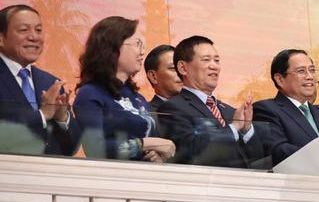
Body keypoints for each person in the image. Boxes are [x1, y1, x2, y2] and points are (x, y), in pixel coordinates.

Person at [73, 16, 175, 162]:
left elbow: (157, 144)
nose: (142, 52)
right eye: (137, 44)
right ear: (113, 46)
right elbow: (95, 148)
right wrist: (145, 144)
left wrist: (156, 154)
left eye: (143, 45)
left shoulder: (138, 98)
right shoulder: (90, 94)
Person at [157, 35, 263, 168]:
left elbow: (259, 159)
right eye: (206, 60)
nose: (215, 66)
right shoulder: (172, 108)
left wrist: (246, 129)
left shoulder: (231, 111)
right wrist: (235, 127)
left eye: (217, 60)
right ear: (183, 68)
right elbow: (191, 151)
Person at [0, 4, 78, 155]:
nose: (34, 37)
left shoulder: (51, 82)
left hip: (50, 175)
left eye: (38, 30)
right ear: (2, 38)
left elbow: (70, 150)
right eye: (24, 30)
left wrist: (62, 118)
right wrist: (42, 115)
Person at [144, 44, 182, 112]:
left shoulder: (199, 108)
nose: (181, 73)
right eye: (173, 68)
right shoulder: (147, 114)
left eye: (183, 68)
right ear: (153, 76)